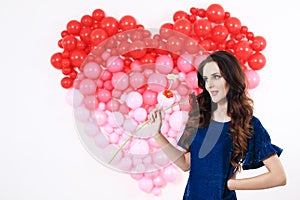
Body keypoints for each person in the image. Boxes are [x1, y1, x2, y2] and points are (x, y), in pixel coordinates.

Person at [148, 50, 286, 199]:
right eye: (206, 79)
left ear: (231, 78)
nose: (209, 85)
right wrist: (157, 134)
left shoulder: (248, 123)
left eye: (216, 77)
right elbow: (185, 164)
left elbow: (278, 177)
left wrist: (232, 185)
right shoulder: (198, 118)